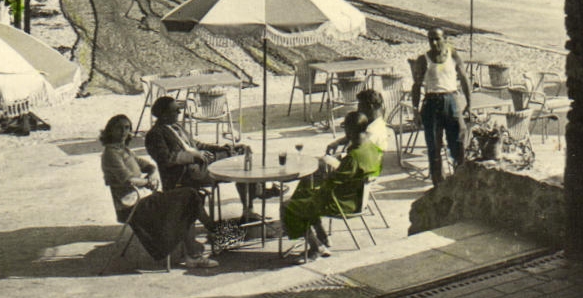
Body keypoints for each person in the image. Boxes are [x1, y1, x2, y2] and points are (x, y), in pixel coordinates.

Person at [99, 114, 216, 269]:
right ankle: (210, 237)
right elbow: (127, 179)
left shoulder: (124, 150)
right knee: (189, 196)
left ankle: (198, 247)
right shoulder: (111, 153)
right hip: (132, 206)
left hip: (144, 199)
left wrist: (153, 175)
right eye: (118, 127)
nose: (123, 131)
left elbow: (149, 166)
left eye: (127, 128)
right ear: (110, 130)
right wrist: (148, 182)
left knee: (191, 197)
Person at [282, 108, 383, 261]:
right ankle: (322, 236)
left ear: (350, 130)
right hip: (357, 199)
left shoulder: (353, 157)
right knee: (305, 194)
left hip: (341, 203)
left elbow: (331, 184)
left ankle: (316, 247)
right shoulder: (372, 149)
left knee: (288, 205)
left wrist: (322, 178)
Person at [143, 96, 271, 215]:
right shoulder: (155, 134)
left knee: (242, 150)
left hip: (201, 164)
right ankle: (257, 194)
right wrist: (193, 156)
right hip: (185, 173)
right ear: (164, 115)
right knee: (240, 159)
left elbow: (197, 144)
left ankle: (251, 203)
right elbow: (165, 159)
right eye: (175, 110)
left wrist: (219, 148)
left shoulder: (176, 127)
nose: (179, 113)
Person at [409, 27, 471, 185]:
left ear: (445, 39)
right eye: (430, 39)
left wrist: (469, 103)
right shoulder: (424, 59)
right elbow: (416, 86)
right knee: (434, 147)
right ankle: (439, 184)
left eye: (437, 38)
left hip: (451, 101)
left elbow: (464, 79)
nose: (434, 42)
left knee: (458, 142)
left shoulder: (454, 55)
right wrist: (415, 110)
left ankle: (460, 180)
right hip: (431, 103)